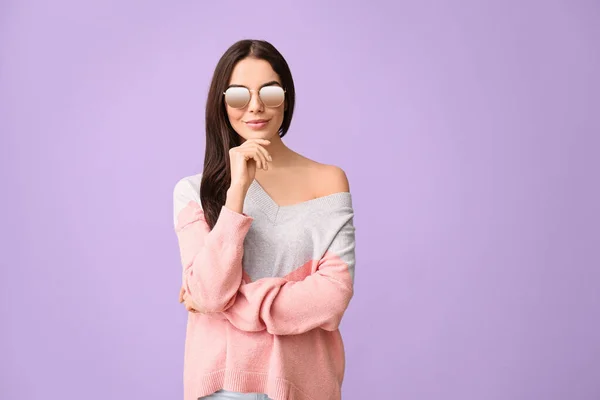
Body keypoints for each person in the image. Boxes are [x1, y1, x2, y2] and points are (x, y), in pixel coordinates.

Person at [172, 39, 356, 400]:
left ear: (286, 97)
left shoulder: (328, 180)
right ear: (222, 103)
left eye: (269, 92)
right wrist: (236, 192)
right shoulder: (193, 191)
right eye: (240, 95)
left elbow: (333, 296)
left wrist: (231, 304)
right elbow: (209, 293)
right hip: (223, 388)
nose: (255, 106)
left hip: (307, 385)